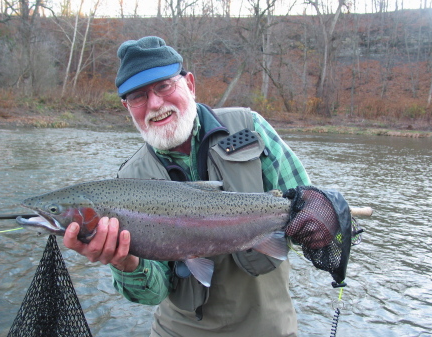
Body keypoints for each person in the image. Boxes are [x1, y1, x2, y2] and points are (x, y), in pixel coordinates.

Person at [64, 36, 319, 337]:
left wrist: (319, 217)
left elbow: (308, 208)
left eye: (163, 86)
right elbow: (153, 294)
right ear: (127, 107)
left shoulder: (250, 127)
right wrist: (126, 263)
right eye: (138, 96)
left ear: (190, 84)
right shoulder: (127, 181)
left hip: (268, 328)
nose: (155, 104)